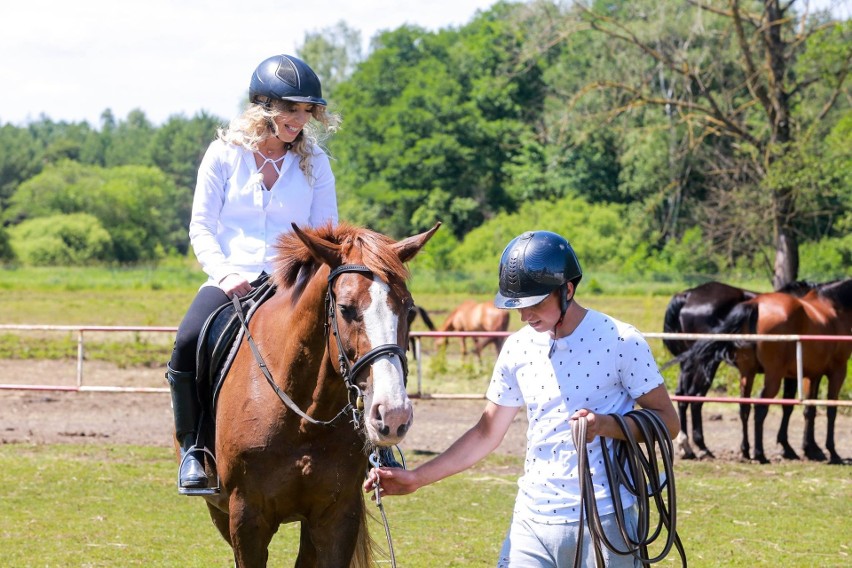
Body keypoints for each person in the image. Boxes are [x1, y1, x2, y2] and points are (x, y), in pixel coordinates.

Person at [364, 230, 680, 567]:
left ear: (568, 290)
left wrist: (603, 425)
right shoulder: (518, 347)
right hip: (531, 520)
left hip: (605, 520)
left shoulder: (621, 340)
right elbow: (486, 433)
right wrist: (416, 479)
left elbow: (668, 422)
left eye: (535, 304)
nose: (525, 316)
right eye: (518, 307)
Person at [167, 54, 341, 491]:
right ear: (263, 107)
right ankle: (194, 448)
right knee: (187, 341)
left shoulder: (315, 161)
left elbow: (326, 232)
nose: (299, 120)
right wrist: (224, 274)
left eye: (307, 111)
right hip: (232, 279)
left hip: (295, 281)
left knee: (352, 333)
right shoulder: (224, 155)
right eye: (291, 109)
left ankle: (372, 441)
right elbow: (201, 226)